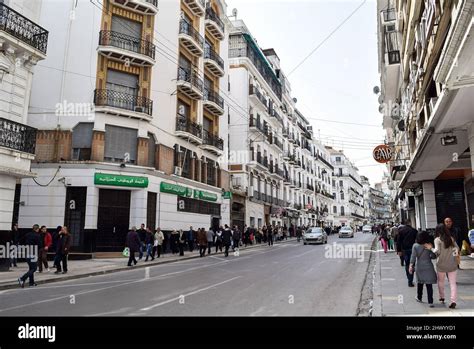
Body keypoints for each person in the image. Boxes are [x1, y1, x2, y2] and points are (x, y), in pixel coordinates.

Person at [428, 224, 459, 309]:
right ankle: (453, 301)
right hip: (452, 264)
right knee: (452, 283)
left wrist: (431, 248)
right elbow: (457, 248)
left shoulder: (437, 240)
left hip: (441, 264)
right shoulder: (451, 238)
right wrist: (453, 256)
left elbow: (437, 251)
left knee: (441, 282)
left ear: (437, 231)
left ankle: (442, 297)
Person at [409, 231, 437, 308]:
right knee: (429, 284)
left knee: (420, 282)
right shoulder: (429, 245)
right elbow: (433, 256)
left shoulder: (415, 245)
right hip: (428, 266)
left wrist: (411, 265)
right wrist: (431, 248)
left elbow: (413, 257)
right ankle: (430, 301)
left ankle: (419, 297)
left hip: (419, 266)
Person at [396, 220, 418, 287]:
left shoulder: (401, 231)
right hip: (412, 249)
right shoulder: (414, 231)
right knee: (412, 264)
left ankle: (409, 279)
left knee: (407, 264)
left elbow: (398, 241)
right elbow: (417, 240)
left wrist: (399, 251)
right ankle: (410, 280)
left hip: (404, 250)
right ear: (410, 223)